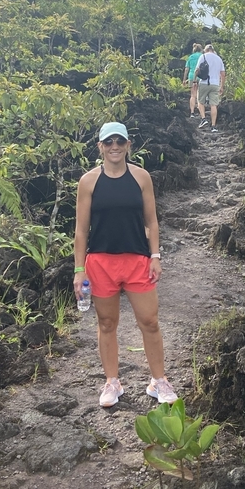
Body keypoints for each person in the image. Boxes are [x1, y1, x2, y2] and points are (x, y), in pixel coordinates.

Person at [73, 122, 178, 408]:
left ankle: (159, 380)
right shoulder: (88, 182)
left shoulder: (141, 178)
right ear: (100, 147)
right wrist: (78, 269)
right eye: (109, 142)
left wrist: (155, 256)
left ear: (129, 144)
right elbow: (81, 231)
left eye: (120, 141)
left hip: (137, 260)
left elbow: (152, 221)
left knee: (150, 321)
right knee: (106, 323)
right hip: (100, 262)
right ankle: (112, 382)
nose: (115, 146)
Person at [195, 43, 226, 133]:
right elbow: (223, 74)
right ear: (213, 50)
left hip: (204, 83)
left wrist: (194, 81)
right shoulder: (219, 59)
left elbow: (197, 70)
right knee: (213, 105)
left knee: (200, 102)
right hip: (215, 84)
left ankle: (204, 119)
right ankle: (213, 126)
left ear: (205, 50)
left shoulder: (203, 56)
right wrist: (221, 86)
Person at [182, 43, 203, 118]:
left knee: (192, 95)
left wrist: (184, 79)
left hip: (191, 76)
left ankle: (192, 112)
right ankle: (201, 112)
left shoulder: (190, 57)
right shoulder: (202, 56)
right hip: (200, 77)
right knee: (200, 94)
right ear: (201, 49)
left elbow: (186, 69)